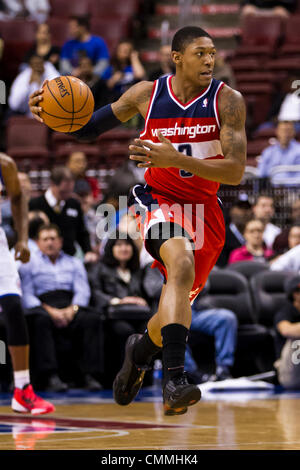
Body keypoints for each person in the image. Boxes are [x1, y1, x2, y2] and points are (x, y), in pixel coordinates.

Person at [29, 25, 247, 416]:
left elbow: (234, 172)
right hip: (157, 200)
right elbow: (87, 129)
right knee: (179, 264)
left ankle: (140, 351)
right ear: (177, 57)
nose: (211, 60)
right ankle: (175, 381)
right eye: (201, 53)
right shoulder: (147, 94)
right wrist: (50, 116)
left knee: (171, 309)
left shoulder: (228, 101)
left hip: (204, 210)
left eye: (213, 52)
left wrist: (176, 159)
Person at [19, 224, 104, 391]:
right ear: (37, 243)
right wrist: (50, 311)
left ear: (60, 241)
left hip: (69, 303)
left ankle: (90, 375)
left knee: (92, 319)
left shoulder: (74, 262)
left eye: (53, 239)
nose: (50, 243)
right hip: (43, 305)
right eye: (45, 239)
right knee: (39, 320)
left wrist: (72, 309)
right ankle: (50, 376)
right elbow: (27, 294)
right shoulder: (28, 264)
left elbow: (83, 290)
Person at [0, 152, 54, 414]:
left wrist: (22, 238)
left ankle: (22, 389)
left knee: (13, 307)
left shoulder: (5, 165)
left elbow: (19, 197)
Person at [90, 231, 153, 378]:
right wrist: (118, 301)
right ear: (111, 248)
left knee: (147, 332)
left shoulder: (138, 270)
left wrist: (142, 300)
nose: (124, 248)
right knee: (124, 331)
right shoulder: (100, 268)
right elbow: (95, 293)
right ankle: (124, 374)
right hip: (112, 316)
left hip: (138, 315)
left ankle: (143, 375)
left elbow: (147, 293)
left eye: (127, 245)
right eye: (119, 245)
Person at [29, 166, 97, 262]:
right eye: (63, 192)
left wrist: (88, 251)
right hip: (41, 259)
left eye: (70, 191)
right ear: (53, 184)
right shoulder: (35, 204)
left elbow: (82, 232)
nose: (67, 195)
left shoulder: (74, 203)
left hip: (69, 258)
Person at [184, 282, 237, 383]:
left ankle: (223, 369)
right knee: (172, 328)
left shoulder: (192, 265)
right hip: (171, 312)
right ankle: (191, 373)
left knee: (227, 318)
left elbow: (204, 285)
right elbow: (153, 289)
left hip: (195, 312)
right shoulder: (155, 267)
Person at [274, 276, 300, 389]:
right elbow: (285, 330)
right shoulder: (285, 311)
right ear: (295, 294)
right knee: (296, 337)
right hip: (288, 370)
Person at [216, 198, 252, 267]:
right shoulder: (221, 235)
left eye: (247, 208)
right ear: (231, 211)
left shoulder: (257, 235)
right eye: (240, 208)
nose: (244, 212)